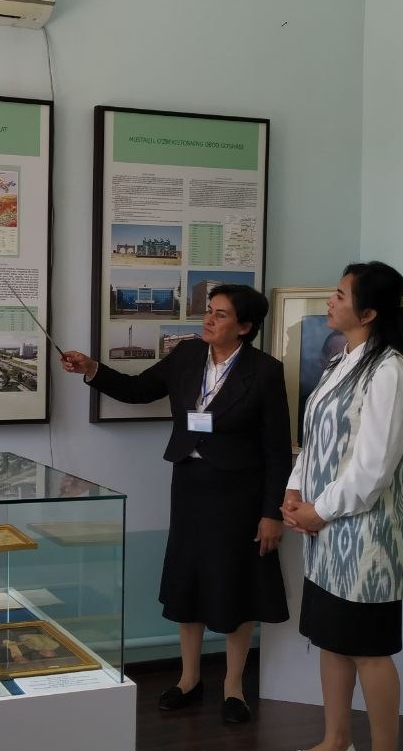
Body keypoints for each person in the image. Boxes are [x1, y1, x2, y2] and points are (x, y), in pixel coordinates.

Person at [61, 284, 290, 721]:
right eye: (209, 310)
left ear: (244, 327)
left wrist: (271, 512)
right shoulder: (187, 355)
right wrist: (92, 369)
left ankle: (234, 688)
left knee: (235, 587)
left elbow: (277, 450)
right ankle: (189, 679)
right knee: (188, 581)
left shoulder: (264, 371)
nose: (208, 319)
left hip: (240, 495)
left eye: (220, 314)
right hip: (189, 484)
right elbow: (138, 389)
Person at [276, 261, 403, 751]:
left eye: (340, 295)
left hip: (367, 540)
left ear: (369, 312)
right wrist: (295, 490)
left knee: (370, 652)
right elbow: (315, 439)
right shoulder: (344, 360)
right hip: (327, 535)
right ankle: (336, 743)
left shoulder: (391, 371)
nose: (330, 302)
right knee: (332, 640)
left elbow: (373, 469)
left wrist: (319, 510)